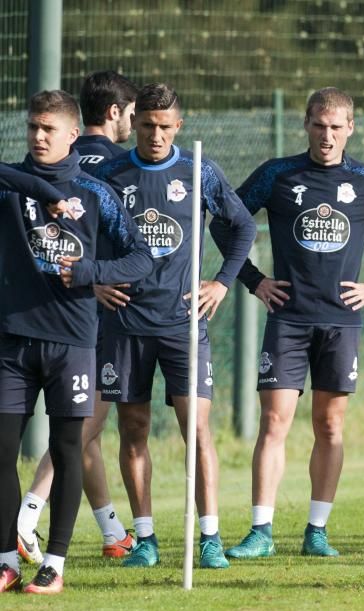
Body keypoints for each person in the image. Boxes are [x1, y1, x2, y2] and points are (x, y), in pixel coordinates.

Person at [220, 86, 364, 560]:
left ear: (351, 129)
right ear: (307, 125)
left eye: (337, 127)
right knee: (274, 422)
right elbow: (225, 220)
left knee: (329, 426)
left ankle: (317, 530)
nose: (327, 135)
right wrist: (253, 280)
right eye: (319, 125)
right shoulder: (278, 174)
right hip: (288, 319)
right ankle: (261, 531)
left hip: (341, 324)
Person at [91, 83, 256, 570]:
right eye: (146, 125)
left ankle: (208, 535)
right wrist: (97, 281)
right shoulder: (111, 173)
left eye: (165, 127)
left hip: (184, 323)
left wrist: (224, 282)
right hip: (124, 323)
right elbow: (86, 233)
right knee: (133, 428)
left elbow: (243, 226)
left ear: (178, 127)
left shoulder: (200, 169)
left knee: (197, 432)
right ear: (133, 123)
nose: (156, 135)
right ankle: (145, 538)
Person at [0, 89, 152, 594]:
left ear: (71, 134)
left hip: (73, 343)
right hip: (13, 341)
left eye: (49, 129)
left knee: (67, 451)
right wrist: (44, 195)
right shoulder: (11, 186)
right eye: (32, 128)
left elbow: (139, 259)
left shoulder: (95, 192)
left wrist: (91, 270)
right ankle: (6, 560)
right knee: (2, 452)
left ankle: (56, 565)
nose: (39, 137)